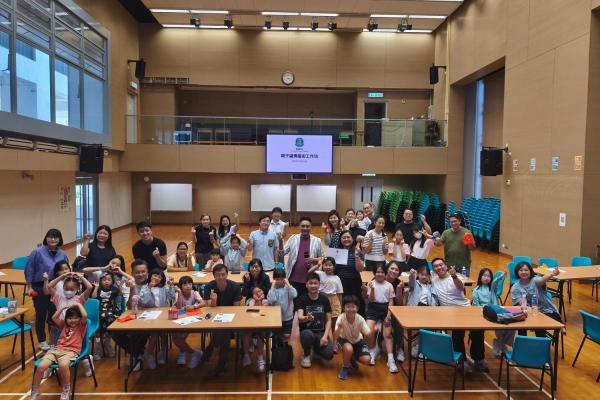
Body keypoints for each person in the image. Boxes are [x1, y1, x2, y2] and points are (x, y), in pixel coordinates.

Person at [430, 257, 484, 372]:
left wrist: (454, 276)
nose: (439, 267)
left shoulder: (455, 277)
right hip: (449, 313)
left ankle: (479, 359)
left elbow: (460, 287)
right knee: (457, 334)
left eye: (441, 265)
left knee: (478, 330)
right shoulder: (433, 281)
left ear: (445, 266)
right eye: (436, 266)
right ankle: (461, 361)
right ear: (434, 269)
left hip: (465, 309)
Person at [30, 303, 88, 400]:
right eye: (70, 318)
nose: (73, 320)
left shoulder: (81, 326)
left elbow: (85, 315)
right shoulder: (63, 325)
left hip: (71, 351)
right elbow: (54, 317)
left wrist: (78, 304)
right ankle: (35, 390)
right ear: (66, 319)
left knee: (63, 366)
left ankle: (66, 390)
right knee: (40, 367)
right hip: (56, 350)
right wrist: (62, 308)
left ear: (79, 318)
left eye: (76, 318)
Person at [25, 228, 69, 351]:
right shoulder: (37, 252)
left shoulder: (63, 254)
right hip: (39, 286)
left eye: (56, 237)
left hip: (56, 286)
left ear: (60, 239)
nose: (53, 239)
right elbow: (29, 269)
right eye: (50, 236)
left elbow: (66, 270)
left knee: (54, 313)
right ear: (46, 238)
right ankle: (42, 340)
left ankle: (53, 340)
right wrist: (29, 287)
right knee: (41, 313)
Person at [202, 264, 242, 376]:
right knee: (224, 334)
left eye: (223, 274)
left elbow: (236, 307)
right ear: (214, 276)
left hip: (231, 317)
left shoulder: (235, 286)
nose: (221, 277)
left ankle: (212, 350)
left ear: (227, 274)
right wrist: (214, 301)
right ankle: (221, 363)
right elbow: (208, 307)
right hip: (214, 318)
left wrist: (227, 316)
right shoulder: (209, 286)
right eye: (218, 275)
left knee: (224, 331)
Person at [511, 262, 563, 337]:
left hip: (547, 311)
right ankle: (523, 341)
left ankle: (541, 342)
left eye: (526, 270)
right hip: (529, 313)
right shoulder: (515, 288)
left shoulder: (535, 280)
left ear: (530, 271)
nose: (524, 272)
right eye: (521, 270)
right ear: (517, 272)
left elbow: (542, 280)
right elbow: (520, 305)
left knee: (538, 324)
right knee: (520, 321)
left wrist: (552, 274)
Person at [471, 268, 514, 356]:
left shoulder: (492, 288)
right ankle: (499, 343)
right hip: (485, 312)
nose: (486, 278)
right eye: (484, 276)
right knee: (501, 322)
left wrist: (500, 277)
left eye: (489, 276)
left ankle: (500, 342)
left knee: (511, 323)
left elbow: (495, 283)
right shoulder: (476, 290)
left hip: (496, 309)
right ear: (480, 277)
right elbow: (476, 306)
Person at [295, 272, 334, 368]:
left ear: (319, 284)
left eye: (315, 283)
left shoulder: (324, 299)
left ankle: (315, 349)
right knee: (307, 335)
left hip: (320, 333)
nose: (313, 285)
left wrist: (325, 337)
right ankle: (307, 354)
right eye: (310, 283)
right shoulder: (302, 299)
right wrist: (307, 318)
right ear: (306, 285)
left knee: (329, 355)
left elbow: (329, 320)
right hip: (307, 331)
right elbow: (299, 318)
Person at [365, 264, 398, 373]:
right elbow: (370, 300)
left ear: (385, 273)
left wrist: (388, 315)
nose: (380, 274)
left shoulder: (389, 285)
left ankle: (390, 359)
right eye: (378, 272)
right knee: (368, 331)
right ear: (374, 273)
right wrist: (372, 289)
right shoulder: (371, 283)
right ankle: (372, 352)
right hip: (373, 309)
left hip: (385, 309)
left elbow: (391, 302)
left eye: (382, 272)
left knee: (387, 335)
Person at [141, 268, 176, 368]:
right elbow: (144, 302)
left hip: (162, 314)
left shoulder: (163, 288)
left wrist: (171, 286)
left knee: (163, 333)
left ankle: (163, 352)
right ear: (150, 276)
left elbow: (172, 297)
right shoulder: (144, 287)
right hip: (149, 315)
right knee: (154, 333)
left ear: (162, 279)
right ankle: (149, 354)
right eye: (155, 275)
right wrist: (149, 288)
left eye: (159, 277)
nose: (156, 278)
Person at [281, 216, 324, 298]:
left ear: (311, 227)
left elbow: (322, 258)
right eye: (303, 226)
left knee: (307, 303)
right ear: (299, 227)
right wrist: (280, 241)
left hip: (309, 281)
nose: (305, 228)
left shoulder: (317, 240)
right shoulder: (293, 238)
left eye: (307, 226)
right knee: (293, 302)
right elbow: (282, 254)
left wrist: (313, 259)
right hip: (293, 278)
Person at [333, 295, 372, 380]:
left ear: (357, 308)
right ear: (344, 308)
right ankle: (345, 366)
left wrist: (372, 332)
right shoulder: (341, 318)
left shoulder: (360, 319)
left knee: (367, 359)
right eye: (348, 307)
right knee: (348, 349)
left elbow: (368, 334)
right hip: (343, 339)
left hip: (358, 341)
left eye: (353, 307)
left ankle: (351, 357)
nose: (351, 309)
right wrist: (339, 328)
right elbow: (335, 337)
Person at [406, 265, 439, 357]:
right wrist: (411, 275)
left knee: (432, 325)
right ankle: (417, 349)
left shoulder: (430, 286)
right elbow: (411, 283)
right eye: (422, 274)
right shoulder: (415, 283)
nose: (424, 277)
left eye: (426, 275)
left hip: (427, 309)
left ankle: (419, 347)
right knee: (428, 326)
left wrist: (434, 308)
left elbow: (434, 299)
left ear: (429, 276)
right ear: (418, 275)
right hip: (415, 309)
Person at [173, 275, 204, 368]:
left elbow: (203, 303)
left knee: (179, 337)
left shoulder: (195, 292)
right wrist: (179, 293)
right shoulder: (178, 293)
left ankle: (183, 352)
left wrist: (194, 306)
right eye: (185, 284)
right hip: (181, 319)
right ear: (180, 286)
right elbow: (178, 307)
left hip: (192, 319)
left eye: (190, 284)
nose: (188, 286)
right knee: (176, 337)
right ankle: (194, 353)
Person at [334, 230, 366, 316]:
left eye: (348, 237)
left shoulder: (358, 250)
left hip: (354, 282)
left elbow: (360, 269)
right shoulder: (336, 252)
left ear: (352, 239)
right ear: (340, 240)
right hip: (340, 282)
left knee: (355, 304)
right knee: (341, 305)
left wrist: (357, 256)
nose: (346, 239)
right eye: (343, 238)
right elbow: (332, 269)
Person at [90, 271, 121, 360]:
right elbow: (93, 297)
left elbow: (120, 296)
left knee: (110, 318)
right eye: (104, 280)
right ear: (100, 281)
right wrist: (96, 287)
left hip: (111, 309)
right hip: (100, 310)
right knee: (100, 318)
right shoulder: (98, 289)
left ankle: (107, 343)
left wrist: (119, 286)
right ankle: (98, 347)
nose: (106, 281)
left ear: (112, 281)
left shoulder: (114, 289)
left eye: (109, 280)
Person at [41, 261, 71, 346]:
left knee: (67, 328)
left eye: (66, 269)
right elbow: (46, 292)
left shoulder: (72, 280)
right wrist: (46, 280)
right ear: (57, 272)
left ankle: (66, 344)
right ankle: (51, 344)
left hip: (68, 307)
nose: (64, 271)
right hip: (55, 307)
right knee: (54, 328)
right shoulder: (56, 282)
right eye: (61, 270)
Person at [309, 257, 343, 323]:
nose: (328, 267)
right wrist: (318, 265)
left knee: (334, 318)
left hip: (333, 299)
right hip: (321, 298)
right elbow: (310, 272)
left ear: (334, 266)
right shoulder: (319, 274)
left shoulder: (337, 278)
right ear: (322, 265)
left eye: (330, 265)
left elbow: (339, 293)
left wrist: (340, 306)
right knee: (321, 317)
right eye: (326, 265)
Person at [267, 268, 297, 343]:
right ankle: (276, 347)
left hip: (287, 318)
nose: (279, 281)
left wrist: (288, 284)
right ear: (274, 279)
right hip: (275, 318)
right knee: (276, 336)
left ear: (284, 279)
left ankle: (284, 347)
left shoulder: (287, 288)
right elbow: (271, 300)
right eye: (277, 279)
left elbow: (294, 295)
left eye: (281, 279)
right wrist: (272, 287)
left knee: (286, 335)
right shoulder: (273, 289)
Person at [242, 287, 268, 372]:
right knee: (246, 332)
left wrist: (259, 300)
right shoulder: (250, 301)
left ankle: (260, 358)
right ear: (252, 295)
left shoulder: (266, 301)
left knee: (261, 333)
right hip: (250, 323)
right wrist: (257, 300)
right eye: (256, 293)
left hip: (262, 324)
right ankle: (246, 356)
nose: (259, 294)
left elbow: (262, 311)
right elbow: (254, 310)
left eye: (260, 291)